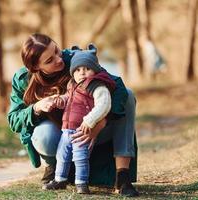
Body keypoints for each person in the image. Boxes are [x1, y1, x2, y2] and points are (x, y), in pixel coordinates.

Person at [7, 33, 139, 197]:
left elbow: (117, 86)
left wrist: (100, 123)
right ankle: (55, 168)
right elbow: (14, 120)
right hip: (63, 136)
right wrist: (37, 107)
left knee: (128, 95)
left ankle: (122, 176)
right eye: (49, 60)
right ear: (35, 68)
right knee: (44, 135)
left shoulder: (76, 59)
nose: (58, 59)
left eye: (56, 50)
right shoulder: (23, 80)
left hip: (92, 130)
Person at [43, 44, 116, 194]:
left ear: (94, 70)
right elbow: (68, 98)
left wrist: (90, 120)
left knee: (80, 157)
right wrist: (61, 100)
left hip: (81, 130)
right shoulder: (72, 84)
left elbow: (104, 104)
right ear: (73, 72)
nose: (82, 72)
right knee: (62, 155)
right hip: (66, 130)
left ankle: (81, 183)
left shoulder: (96, 85)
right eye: (77, 69)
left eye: (86, 69)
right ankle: (60, 179)